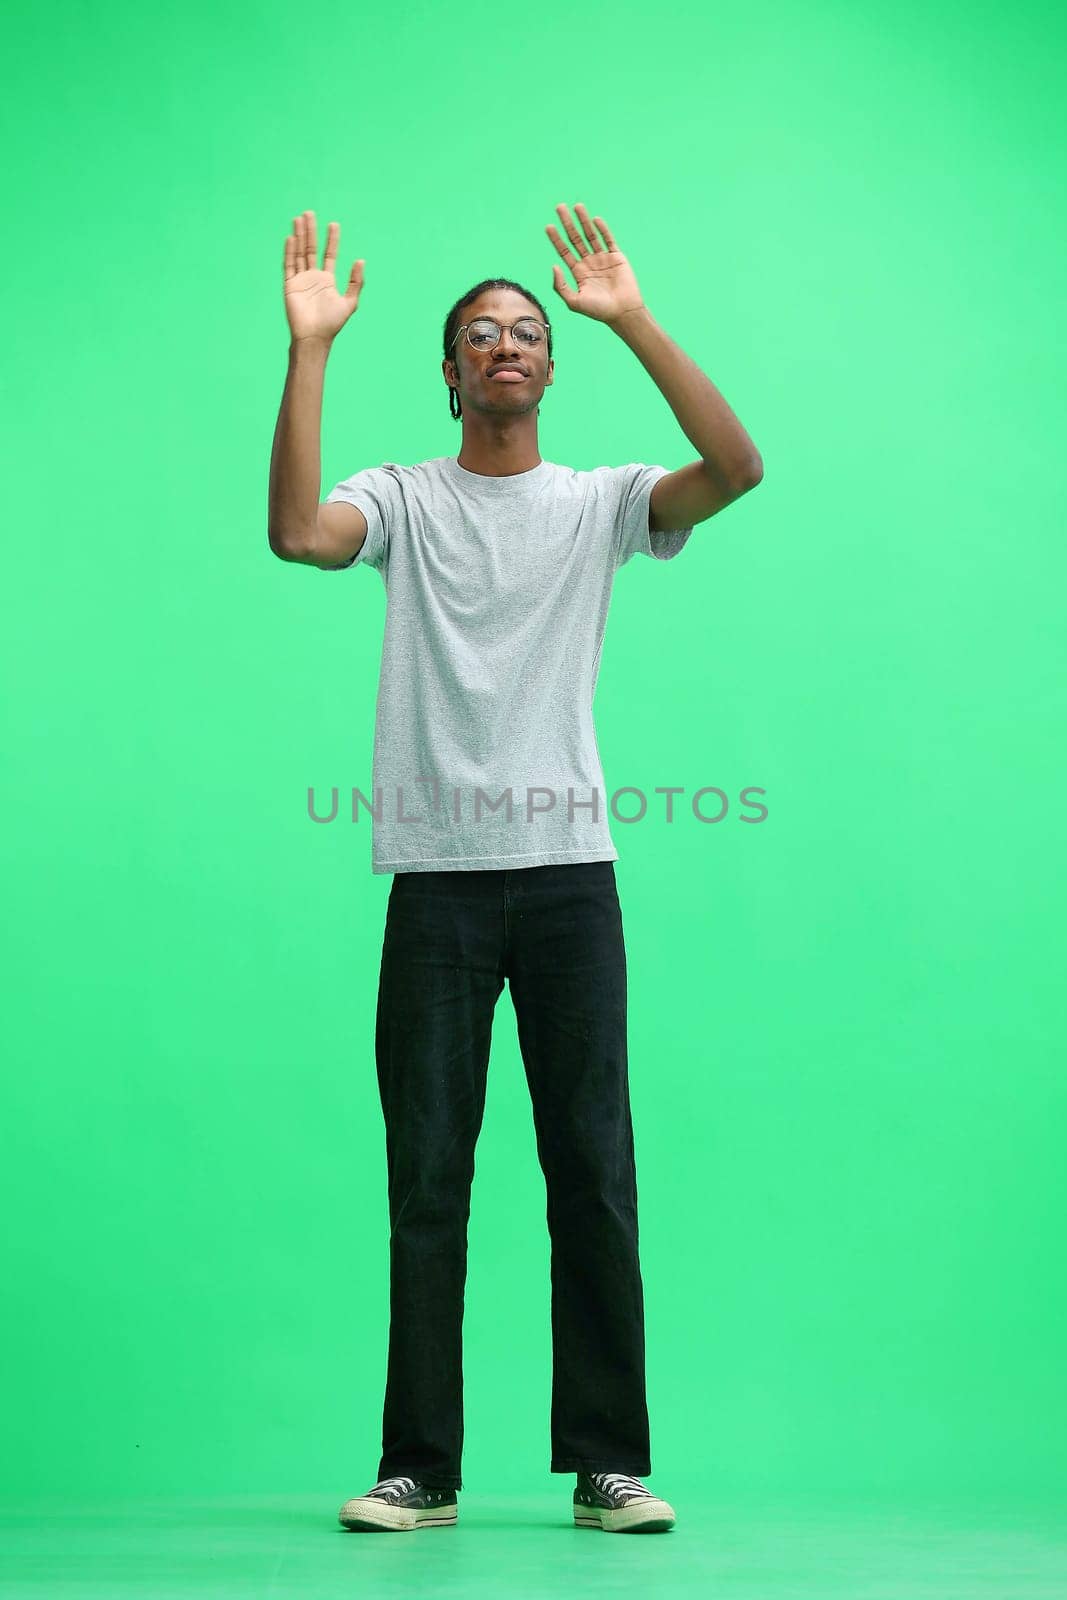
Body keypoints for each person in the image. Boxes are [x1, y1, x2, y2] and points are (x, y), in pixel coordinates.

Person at [268, 202, 763, 1534]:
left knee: (591, 1164)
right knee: (427, 1173)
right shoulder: (404, 498)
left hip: (568, 879)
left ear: (552, 369)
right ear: (448, 371)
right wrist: (309, 349)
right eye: (483, 334)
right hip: (435, 881)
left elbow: (738, 466)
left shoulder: (601, 505)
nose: (507, 345)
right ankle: (418, 1467)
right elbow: (297, 536)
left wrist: (631, 315)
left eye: (529, 333)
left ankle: (608, 1463)